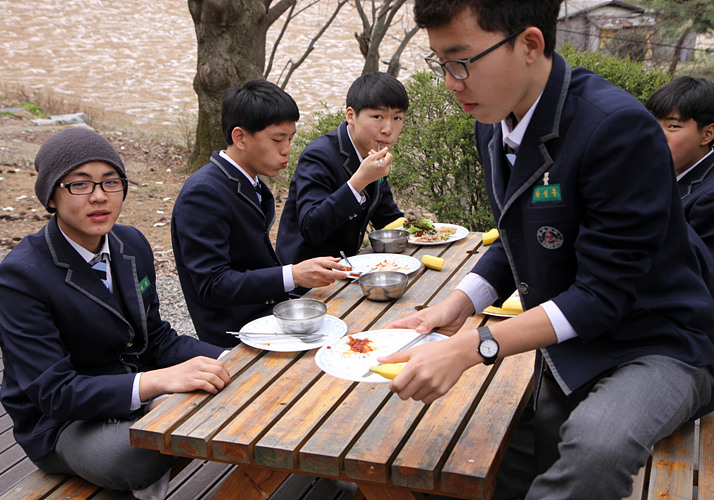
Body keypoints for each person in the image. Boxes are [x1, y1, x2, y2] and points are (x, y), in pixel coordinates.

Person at [379, 1, 714, 498]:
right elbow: (519, 231)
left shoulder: (616, 128)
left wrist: (474, 346)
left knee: (596, 448)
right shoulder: (494, 118)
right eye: (440, 62)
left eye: (462, 61)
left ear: (530, 44)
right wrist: (457, 306)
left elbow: (602, 295)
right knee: (478, 450)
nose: (451, 82)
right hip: (569, 335)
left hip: (656, 341)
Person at [0, 128, 231, 499]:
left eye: (111, 182)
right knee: (138, 458)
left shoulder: (131, 242)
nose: (99, 196)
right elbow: (54, 393)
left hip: (132, 389)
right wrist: (157, 383)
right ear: (51, 197)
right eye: (80, 184)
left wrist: (232, 358)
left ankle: (158, 412)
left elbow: (157, 337)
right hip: (64, 422)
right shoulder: (21, 275)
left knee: (233, 389)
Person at [172, 79, 346, 348]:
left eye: (290, 139)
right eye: (277, 139)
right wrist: (292, 275)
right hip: (238, 338)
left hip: (269, 318)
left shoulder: (248, 182)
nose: (286, 150)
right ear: (240, 137)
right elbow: (211, 285)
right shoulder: (204, 192)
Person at [276, 72, 407, 264]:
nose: (388, 129)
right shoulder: (319, 155)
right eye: (377, 116)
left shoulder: (374, 153)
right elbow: (311, 228)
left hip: (349, 265)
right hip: (306, 272)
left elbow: (387, 218)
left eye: (397, 118)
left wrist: (423, 231)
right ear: (351, 116)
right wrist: (359, 181)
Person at [646, 76, 714, 256]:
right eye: (652, 123)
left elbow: (699, 266)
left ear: (707, 134)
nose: (656, 134)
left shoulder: (708, 199)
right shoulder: (652, 171)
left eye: (673, 126)